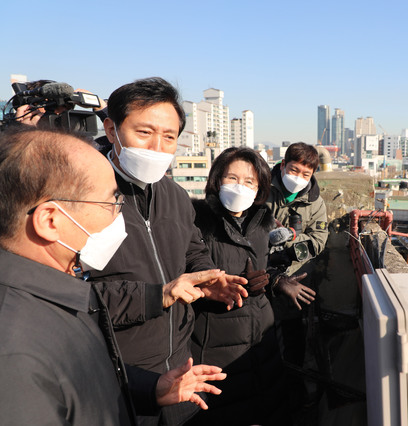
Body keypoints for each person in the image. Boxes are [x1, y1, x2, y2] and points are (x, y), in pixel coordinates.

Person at [0, 127, 227, 424]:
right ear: (50, 220)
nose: (119, 215)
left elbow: (85, 379)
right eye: (110, 203)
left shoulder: (57, 293)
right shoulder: (14, 352)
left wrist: (152, 388)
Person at [89, 77, 248, 425]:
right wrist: (157, 295)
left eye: (169, 136)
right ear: (112, 129)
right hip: (117, 378)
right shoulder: (84, 195)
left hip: (181, 371)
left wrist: (209, 278)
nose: (157, 147)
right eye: (144, 132)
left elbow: (192, 249)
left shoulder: (174, 195)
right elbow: (74, 294)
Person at [188, 147, 313, 425]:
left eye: (249, 182)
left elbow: (259, 269)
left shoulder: (261, 224)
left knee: (268, 405)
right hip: (216, 340)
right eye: (231, 179)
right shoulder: (197, 221)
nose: (239, 187)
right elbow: (189, 275)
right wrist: (218, 290)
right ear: (216, 180)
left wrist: (275, 280)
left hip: (261, 338)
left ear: (259, 189)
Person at [266, 142, 328, 368]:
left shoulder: (315, 203)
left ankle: (294, 383)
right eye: (293, 170)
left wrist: (291, 240)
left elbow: (319, 239)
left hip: (294, 278)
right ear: (283, 165)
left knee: (293, 339)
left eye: (305, 173)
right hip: (258, 273)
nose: (298, 177)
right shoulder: (262, 188)